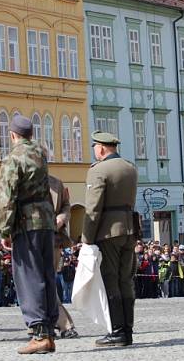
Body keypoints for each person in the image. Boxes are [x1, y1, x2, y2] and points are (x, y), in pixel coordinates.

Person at [0, 115, 58, 355]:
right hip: (46, 219)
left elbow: (6, 197)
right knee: (46, 274)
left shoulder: (14, 157)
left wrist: (4, 229)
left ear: (12, 135)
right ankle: (49, 330)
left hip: (26, 222)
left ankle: (39, 333)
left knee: (28, 276)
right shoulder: (42, 153)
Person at [82, 130, 139, 347]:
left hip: (108, 231)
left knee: (110, 280)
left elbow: (93, 208)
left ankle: (116, 331)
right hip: (129, 228)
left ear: (102, 148)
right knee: (126, 281)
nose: (95, 150)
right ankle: (128, 330)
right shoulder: (129, 168)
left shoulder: (99, 170)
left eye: (95, 146)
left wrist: (87, 237)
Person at [49, 174, 79, 339]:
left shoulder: (56, 183)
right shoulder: (20, 179)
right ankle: (48, 324)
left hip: (53, 239)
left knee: (47, 282)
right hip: (29, 239)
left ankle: (55, 324)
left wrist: (63, 217)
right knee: (39, 284)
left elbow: (66, 205)